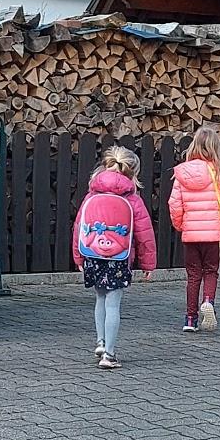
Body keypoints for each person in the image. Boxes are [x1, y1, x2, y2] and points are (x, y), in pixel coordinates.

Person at [72, 145, 157, 369]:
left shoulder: (93, 193)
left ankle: (100, 342)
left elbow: (79, 226)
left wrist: (78, 256)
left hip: (93, 254)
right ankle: (109, 354)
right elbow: (144, 232)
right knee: (113, 304)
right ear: (133, 173)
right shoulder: (132, 199)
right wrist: (148, 263)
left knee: (100, 298)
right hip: (119, 258)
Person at [169, 126, 220, 332]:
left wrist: (181, 225)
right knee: (211, 271)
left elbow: (174, 204)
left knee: (193, 275)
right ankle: (208, 301)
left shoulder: (182, 172)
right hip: (211, 233)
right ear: (216, 148)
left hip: (190, 233)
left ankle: (190, 319)